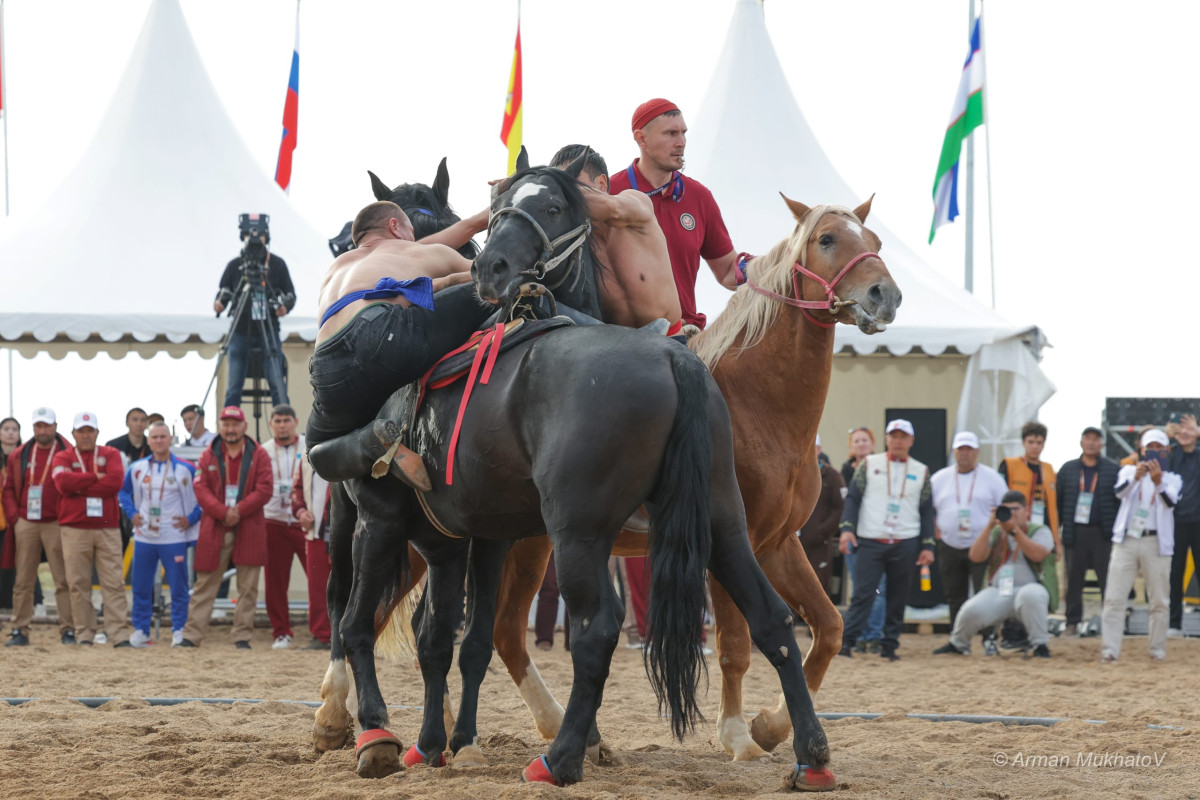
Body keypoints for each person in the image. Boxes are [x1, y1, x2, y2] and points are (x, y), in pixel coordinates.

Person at [306, 200, 491, 488]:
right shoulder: (415, 251)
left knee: (315, 450)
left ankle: (370, 442)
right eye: (411, 231)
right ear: (395, 226)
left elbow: (412, 251)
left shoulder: (338, 266)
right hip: (381, 336)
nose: (416, 239)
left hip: (326, 365)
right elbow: (488, 270)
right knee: (493, 287)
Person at [607, 98, 740, 331]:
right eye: (670, 133)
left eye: (683, 133)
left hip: (684, 336)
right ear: (641, 138)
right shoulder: (610, 194)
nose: (681, 143)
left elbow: (728, 271)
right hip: (623, 339)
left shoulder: (699, 196)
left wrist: (772, 268)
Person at [549, 144, 683, 337]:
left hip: (670, 341)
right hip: (619, 349)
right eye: (559, 187)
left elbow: (614, 209)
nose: (562, 194)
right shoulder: (572, 242)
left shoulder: (634, 201)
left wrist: (547, 187)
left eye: (570, 183)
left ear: (602, 184)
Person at [838, 419, 935, 661]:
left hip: (906, 539)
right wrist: (847, 529)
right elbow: (853, 498)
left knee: (898, 595)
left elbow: (926, 510)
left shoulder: (921, 470)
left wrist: (928, 545)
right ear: (886, 439)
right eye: (894, 436)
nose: (898, 441)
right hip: (871, 538)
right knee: (863, 593)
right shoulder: (870, 464)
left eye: (904, 437)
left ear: (911, 441)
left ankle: (889, 645)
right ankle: (847, 643)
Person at [179, 406, 273, 648]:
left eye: (235, 424)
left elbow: (265, 489)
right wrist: (223, 512)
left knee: (248, 587)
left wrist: (238, 511)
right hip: (215, 526)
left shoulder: (259, 454)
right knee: (205, 583)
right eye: (226, 424)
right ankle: (192, 635)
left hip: (249, 525)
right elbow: (200, 488)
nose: (230, 430)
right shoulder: (208, 454)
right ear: (220, 427)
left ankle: (242, 637)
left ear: (244, 426)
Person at [932, 491, 1056, 658]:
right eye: (1007, 510)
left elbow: (1038, 554)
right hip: (1000, 590)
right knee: (970, 609)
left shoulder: (1039, 530)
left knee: (1030, 595)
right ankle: (958, 644)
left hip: (1031, 588)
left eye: (1016, 509)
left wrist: (1016, 532)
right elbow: (975, 556)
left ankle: (1040, 645)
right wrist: (989, 526)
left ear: (1026, 511)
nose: (1011, 513)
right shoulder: (998, 532)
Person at [51, 412, 133, 647]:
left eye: (90, 431)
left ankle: (118, 634)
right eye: (81, 431)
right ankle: (85, 633)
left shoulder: (110, 453)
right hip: (74, 526)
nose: (86, 435)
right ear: (73, 433)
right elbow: (62, 485)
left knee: (114, 582)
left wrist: (79, 484)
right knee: (78, 583)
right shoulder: (63, 455)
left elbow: (116, 482)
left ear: (97, 432)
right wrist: (97, 478)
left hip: (107, 524)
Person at [1101, 429, 1181, 663]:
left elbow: (1170, 502)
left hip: (1156, 542)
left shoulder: (1172, 478)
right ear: (1142, 450)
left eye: (1159, 447)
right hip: (1127, 540)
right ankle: (1110, 650)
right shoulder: (1127, 470)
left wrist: (1158, 483)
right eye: (1150, 447)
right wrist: (1136, 477)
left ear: (1167, 451)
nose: (1154, 451)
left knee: (1158, 600)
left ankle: (1157, 651)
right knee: (1114, 597)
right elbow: (1119, 493)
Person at [119, 421, 201, 648]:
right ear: (148, 441)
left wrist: (191, 518)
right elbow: (123, 494)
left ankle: (178, 629)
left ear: (170, 439)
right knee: (140, 586)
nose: (159, 441)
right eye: (154, 437)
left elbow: (203, 496)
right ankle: (142, 630)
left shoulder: (186, 468)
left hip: (173, 537)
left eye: (163, 436)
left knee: (178, 587)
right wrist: (132, 513)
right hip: (144, 536)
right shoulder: (137, 468)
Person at [2, 407, 75, 646]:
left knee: (62, 579)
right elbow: (9, 489)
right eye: (38, 426)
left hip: (56, 522)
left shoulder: (67, 452)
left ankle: (68, 629)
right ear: (33, 428)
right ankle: (20, 629)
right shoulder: (21, 454)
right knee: (23, 579)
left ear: (55, 426)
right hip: (27, 522)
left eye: (47, 425)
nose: (43, 430)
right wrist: (15, 518)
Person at [930, 431, 1009, 631]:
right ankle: (958, 637)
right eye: (960, 449)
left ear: (977, 452)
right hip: (949, 544)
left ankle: (987, 636)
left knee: (984, 593)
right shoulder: (939, 479)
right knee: (954, 594)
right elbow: (928, 510)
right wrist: (937, 533)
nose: (965, 453)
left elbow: (1004, 509)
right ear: (954, 452)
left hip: (983, 545)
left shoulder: (993, 478)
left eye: (969, 449)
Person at [215, 215, 295, 408]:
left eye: (259, 237)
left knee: (277, 383)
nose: (254, 242)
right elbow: (222, 294)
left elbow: (290, 294)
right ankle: (230, 424)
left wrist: (284, 306)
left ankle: (283, 422)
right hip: (239, 331)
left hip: (269, 330)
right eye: (249, 237)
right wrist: (220, 303)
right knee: (234, 385)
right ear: (242, 238)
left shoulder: (277, 264)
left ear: (266, 238)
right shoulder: (235, 265)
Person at [1056, 426, 1120, 634]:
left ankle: (1109, 624)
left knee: (1107, 580)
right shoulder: (1068, 469)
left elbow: (1119, 502)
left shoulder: (1112, 469)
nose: (1091, 442)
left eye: (1096, 439)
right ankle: (1072, 623)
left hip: (1103, 533)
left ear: (1101, 444)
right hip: (1076, 533)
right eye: (1088, 438)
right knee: (1074, 580)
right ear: (1081, 442)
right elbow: (1059, 501)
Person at [261, 404, 307, 649]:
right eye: (277, 421)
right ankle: (281, 631)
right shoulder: (264, 450)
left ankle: (325, 629)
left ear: (295, 422)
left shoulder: (309, 446)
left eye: (286, 420)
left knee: (319, 577)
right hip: (274, 520)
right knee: (275, 581)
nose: (282, 425)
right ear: (271, 424)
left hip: (305, 521)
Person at [289, 450, 332, 649]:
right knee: (317, 587)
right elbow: (297, 489)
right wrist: (300, 511)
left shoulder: (354, 444)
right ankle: (322, 635)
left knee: (353, 586)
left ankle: (356, 637)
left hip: (350, 532)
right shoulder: (307, 455)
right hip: (316, 531)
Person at [799, 435, 845, 599]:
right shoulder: (790, 472)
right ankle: (792, 620)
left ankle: (815, 623)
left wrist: (821, 531)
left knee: (816, 582)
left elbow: (839, 508)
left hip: (820, 542)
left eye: (814, 446)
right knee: (791, 579)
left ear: (820, 450)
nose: (810, 450)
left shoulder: (831, 476)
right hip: (791, 541)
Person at [1168, 414, 1199, 637]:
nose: (1184, 434)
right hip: (1175, 523)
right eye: (1180, 431)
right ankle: (1174, 624)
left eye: (1189, 430)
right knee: (1174, 573)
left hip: (1198, 522)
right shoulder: (1169, 455)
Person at [0, 417, 24, 609]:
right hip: (0, 518)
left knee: (23, 562)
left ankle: (34, 601)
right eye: (6, 428)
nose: (10, 432)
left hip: (19, 517)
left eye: (14, 429)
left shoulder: (25, 456)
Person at [534, 552, 570, 652]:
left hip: (577, 540)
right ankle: (544, 637)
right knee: (549, 586)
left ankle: (574, 639)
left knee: (575, 589)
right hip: (550, 541)